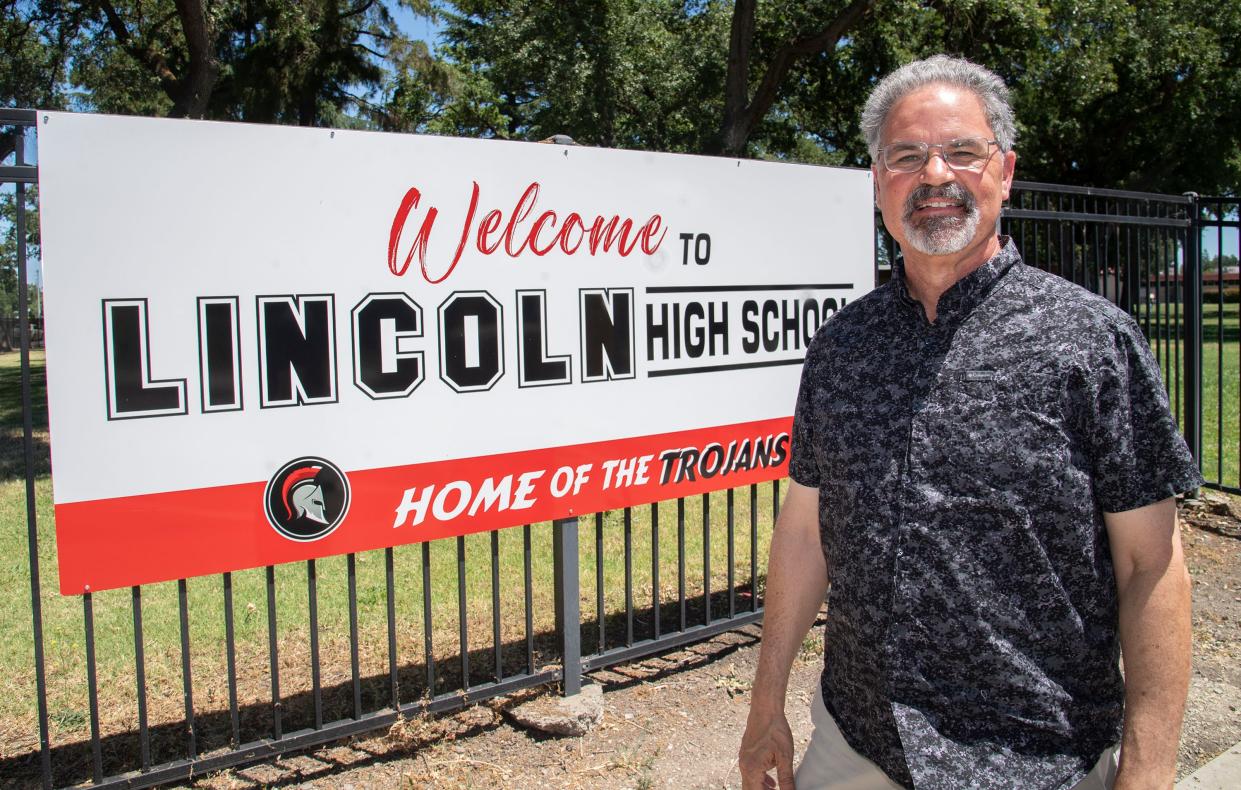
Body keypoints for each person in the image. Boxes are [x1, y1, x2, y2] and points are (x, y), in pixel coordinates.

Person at [738, 54, 1201, 790]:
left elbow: (1150, 562)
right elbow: (803, 530)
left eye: (961, 151)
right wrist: (766, 705)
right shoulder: (841, 347)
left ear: (1005, 171)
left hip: (1038, 759)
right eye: (906, 156)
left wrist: (1147, 767)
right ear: (877, 183)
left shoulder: (1088, 339)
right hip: (857, 745)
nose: (933, 176)